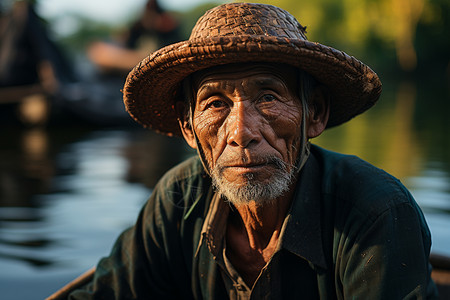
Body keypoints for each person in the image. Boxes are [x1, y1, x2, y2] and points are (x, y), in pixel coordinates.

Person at [68, 3, 438, 299]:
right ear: (187, 126)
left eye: (268, 97)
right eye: (214, 104)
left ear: (316, 113)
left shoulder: (376, 212)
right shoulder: (177, 199)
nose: (241, 133)